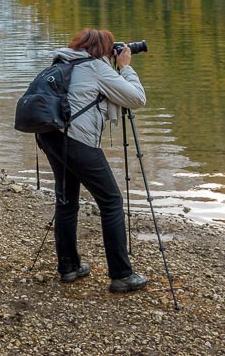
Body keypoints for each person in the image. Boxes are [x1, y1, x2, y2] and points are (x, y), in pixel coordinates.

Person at [36, 28, 148, 293]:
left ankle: (69, 267)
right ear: (102, 50)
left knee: (66, 202)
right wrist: (125, 67)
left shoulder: (63, 61)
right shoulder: (97, 67)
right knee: (111, 202)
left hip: (50, 136)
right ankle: (122, 275)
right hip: (76, 141)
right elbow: (136, 99)